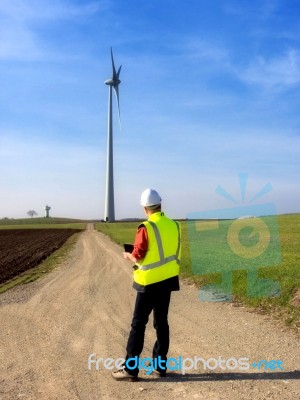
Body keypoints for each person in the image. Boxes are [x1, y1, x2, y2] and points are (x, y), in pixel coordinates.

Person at [111, 188, 181, 381]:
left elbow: (138, 254)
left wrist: (128, 255)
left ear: (145, 208)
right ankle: (160, 366)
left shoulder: (146, 227)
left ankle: (130, 369)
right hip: (168, 279)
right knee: (161, 323)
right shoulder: (174, 225)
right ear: (160, 205)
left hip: (149, 282)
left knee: (138, 325)